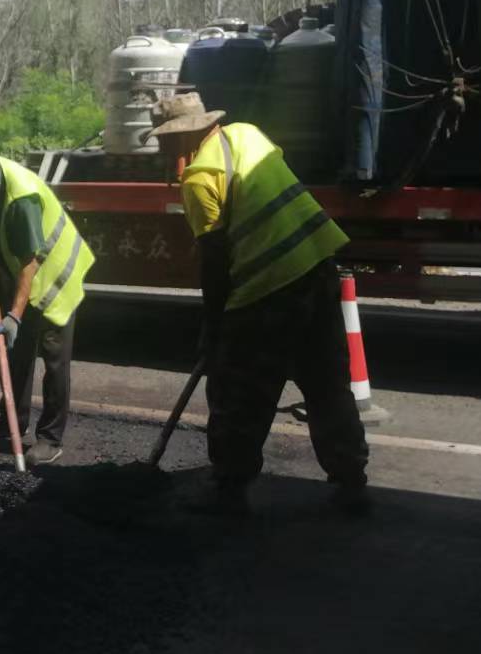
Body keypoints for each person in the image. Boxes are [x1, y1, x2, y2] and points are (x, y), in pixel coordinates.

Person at [149, 92, 370, 515]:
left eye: (163, 142)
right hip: (318, 268)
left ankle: (229, 487)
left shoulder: (198, 179)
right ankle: (351, 482)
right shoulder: (247, 134)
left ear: (179, 140)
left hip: (268, 291)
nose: (161, 150)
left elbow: (215, 266)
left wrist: (213, 331)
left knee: (237, 392)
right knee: (326, 384)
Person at [0, 123, 94, 467]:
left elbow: (30, 263)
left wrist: (14, 314)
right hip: (17, 275)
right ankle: (10, 421)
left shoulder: (21, 196)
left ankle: (50, 439)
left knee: (54, 358)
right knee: (12, 352)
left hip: (55, 277)